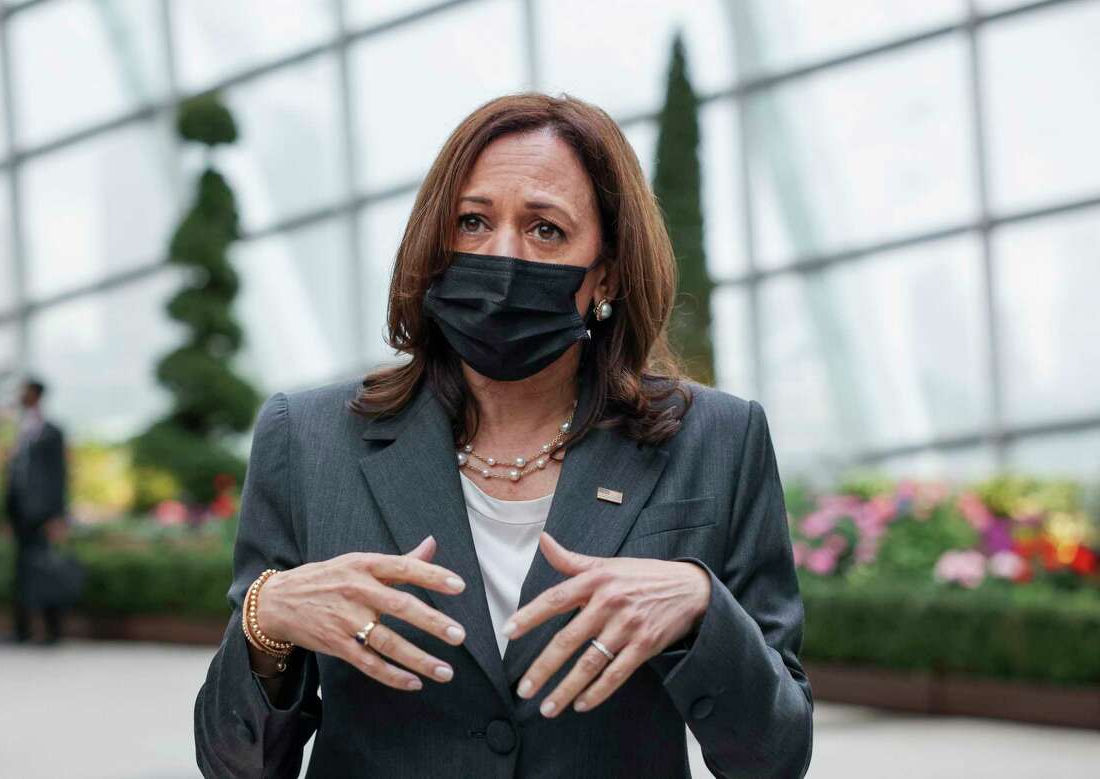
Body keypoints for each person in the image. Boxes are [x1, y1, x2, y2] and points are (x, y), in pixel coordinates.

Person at [195, 92, 812, 778]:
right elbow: (234, 763)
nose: (502, 254)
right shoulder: (307, 440)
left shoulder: (718, 441)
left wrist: (702, 608)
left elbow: (775, 756)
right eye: (473, 221)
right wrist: (267, 617)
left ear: (604, 272)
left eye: (546, 229)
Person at [0, 376, 69, 645]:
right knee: (21, 573)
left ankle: (52, 632)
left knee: (45, 569)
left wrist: (58, 515)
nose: (19, 395)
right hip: (21, 515)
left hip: (43, 515)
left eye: (24, 391)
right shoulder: (19, 429)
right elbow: (13, 477)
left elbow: (60, 475)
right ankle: (21, 630)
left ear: (36, 394)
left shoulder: (51, 431)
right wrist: (7, 514)